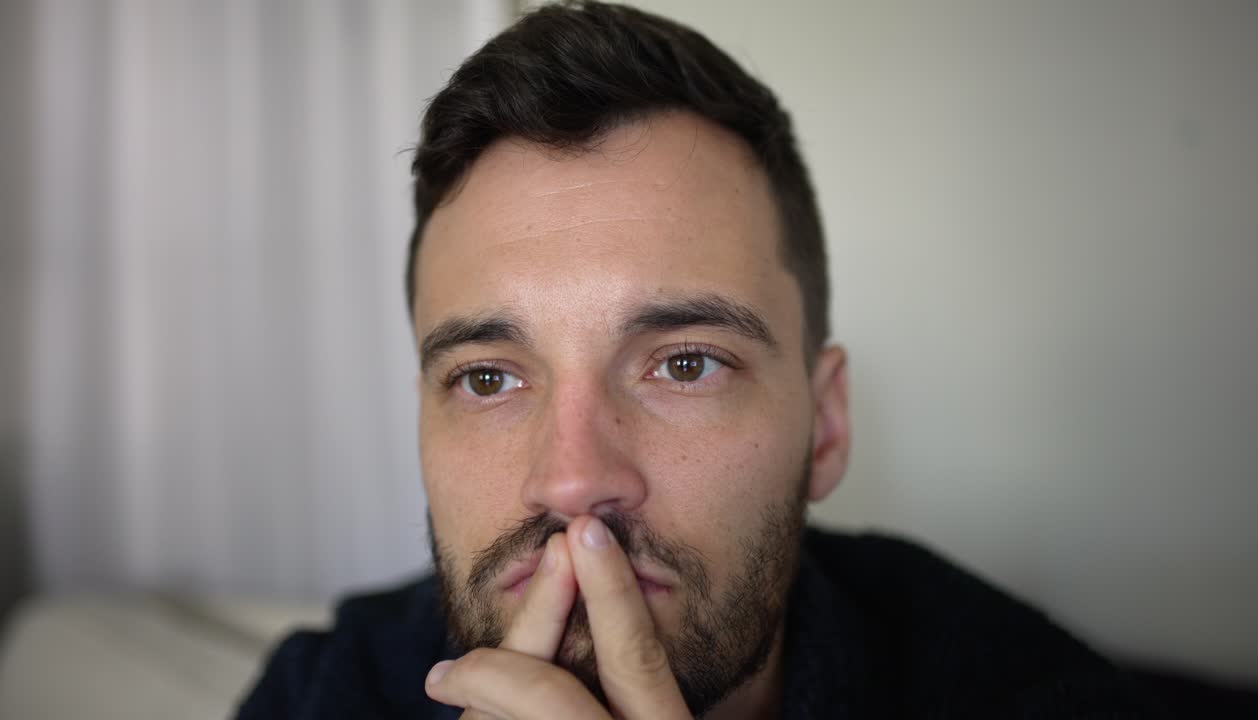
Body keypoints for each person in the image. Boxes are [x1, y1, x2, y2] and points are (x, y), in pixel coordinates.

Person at [237, 2, 1161, 717]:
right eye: (488, 378)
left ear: (827, 426)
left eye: (685, 365)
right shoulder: (328, 691)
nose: (571, 483)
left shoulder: (1031, 697)